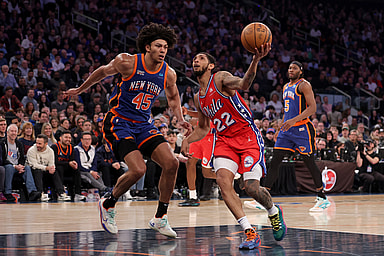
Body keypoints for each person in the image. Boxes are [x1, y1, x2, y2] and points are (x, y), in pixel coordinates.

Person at [65, 23, 191, 237]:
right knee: (138, 169)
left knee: (171, 163)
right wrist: (79, 89)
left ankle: (160, 217)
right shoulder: (128, 62)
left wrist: (179, 118)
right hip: (118, 121)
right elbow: (101, 73)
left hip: (144, 124)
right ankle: (108, 202)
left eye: (166, 47)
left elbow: (173, 97)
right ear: (148, 46)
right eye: (159, 46)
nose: (163, 50)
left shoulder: (168, 73)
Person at [181, 49, 286, 250]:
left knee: (252, 188)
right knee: (222, 181)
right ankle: (249, 231)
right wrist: (188, 139)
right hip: (224, 141)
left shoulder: (220, 78)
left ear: (211, 66)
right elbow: (203, 127)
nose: (196, 60)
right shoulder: (198, 97)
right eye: (194, 59)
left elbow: (244, 84)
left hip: (247, 137)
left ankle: (273, 211)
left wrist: (255, 59)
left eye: (201, 58)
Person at [263, 61, 331, 212]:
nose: (291, 70)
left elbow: (312, 108)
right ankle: (265, 197)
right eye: (289, 68)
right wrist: (281, 124)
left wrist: (294, 120)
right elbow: (287, 110)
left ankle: (322, 197)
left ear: (301, 71)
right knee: (275, 161)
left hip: (302, 129)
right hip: (287, 130)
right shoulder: (286, 86)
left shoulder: (304, 85)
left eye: (294, 68)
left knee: (309, 162)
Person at [1, 124, 41, 202]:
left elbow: (22, 158)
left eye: (15, 131)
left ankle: (32, 192)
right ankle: (7, 192)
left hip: (17, 167)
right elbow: (2, 159)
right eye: (12, 131)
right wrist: (14, 166)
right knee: (9, 167)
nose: (13, 133)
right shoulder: (2, 143)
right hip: (7, 166)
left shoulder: (19, 144)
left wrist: (20, 166)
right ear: (7, 132)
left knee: (27, 168)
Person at [27, 134, 71, 201]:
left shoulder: (50, 151)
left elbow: (51, 164)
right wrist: (46, 168)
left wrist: (50, 169)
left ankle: (61, 193)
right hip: (33, 172)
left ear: (46, 144)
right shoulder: (31, 150)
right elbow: (34, 165)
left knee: (54, 171)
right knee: (37, 170)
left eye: (40, 144)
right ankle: (40, 194)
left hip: (45, 172)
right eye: (36, 143)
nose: (37, 145)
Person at [51, 130, 86, 201]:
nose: (68, 139)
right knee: (59, 168)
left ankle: (77, 193)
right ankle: (61, 193)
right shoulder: (55, 147)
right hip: (57, 168)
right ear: (60, 138)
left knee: (76, 169)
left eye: (69, 138)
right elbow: (54, 162)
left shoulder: (71, 147)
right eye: (66, 137)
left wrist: (73, 163)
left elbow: (71, 160)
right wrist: (68, 163)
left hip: (67, 168)